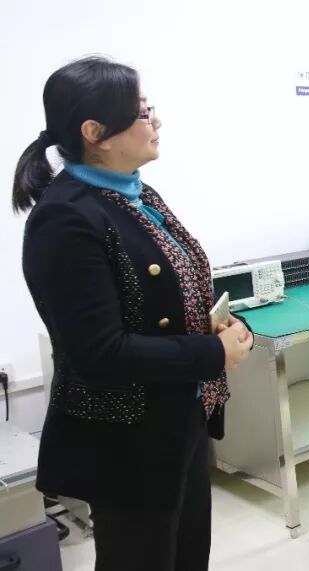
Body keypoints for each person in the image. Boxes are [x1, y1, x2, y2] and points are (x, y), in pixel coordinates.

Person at [14, 56, 253, 571]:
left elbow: (176, 292)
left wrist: (227, 327)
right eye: (143, 112)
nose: (156, 121)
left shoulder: (136, 193)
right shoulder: (66, 219)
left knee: (188, 555)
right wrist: (212, 353)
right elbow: (100, 352)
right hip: (126, 442)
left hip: (181, 418)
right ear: (95, 133)